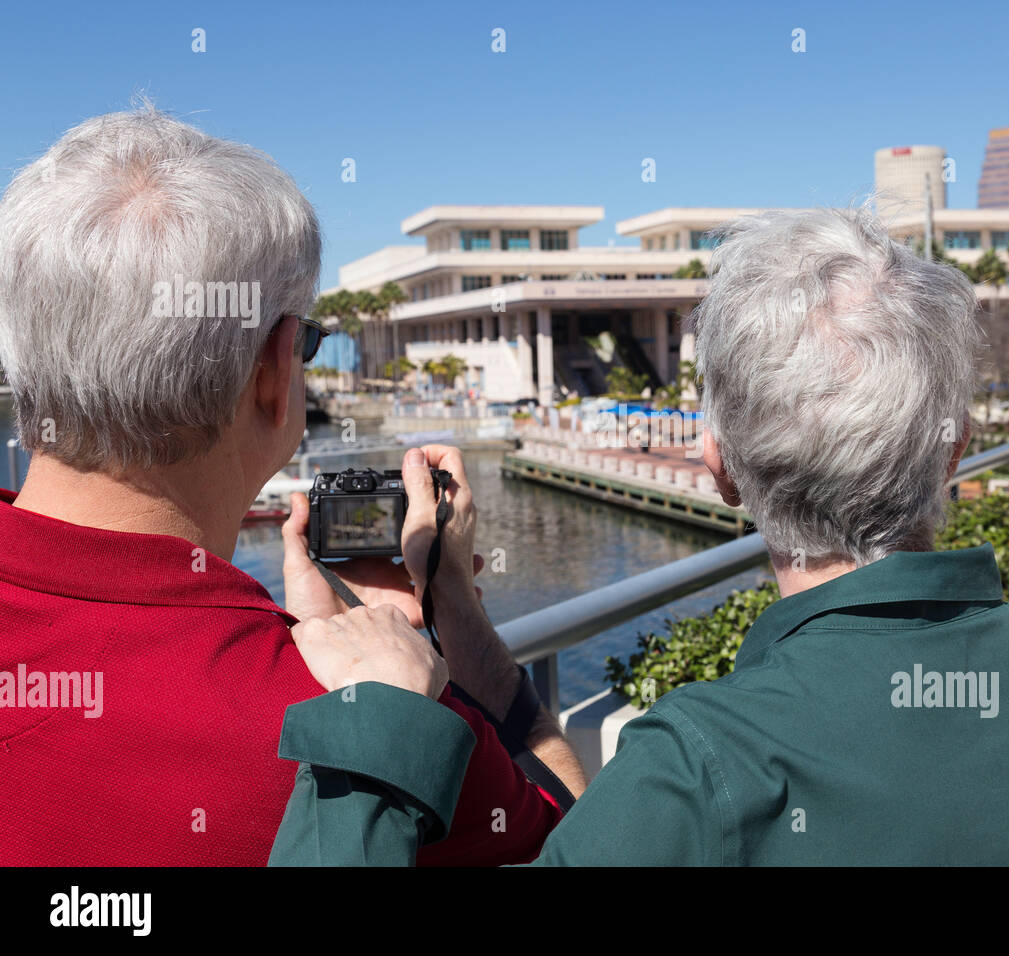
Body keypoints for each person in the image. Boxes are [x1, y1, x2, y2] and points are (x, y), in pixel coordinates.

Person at [269, 207, 1009, 866]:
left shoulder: (703, 769)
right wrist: (452, 608)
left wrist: (375, 706)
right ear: (954, 451)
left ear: (718, 468)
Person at [0, 106, 583, 866]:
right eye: (308, 340)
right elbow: (575, 835)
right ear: (276, 373)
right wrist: (454, 617)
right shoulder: (365, 734)